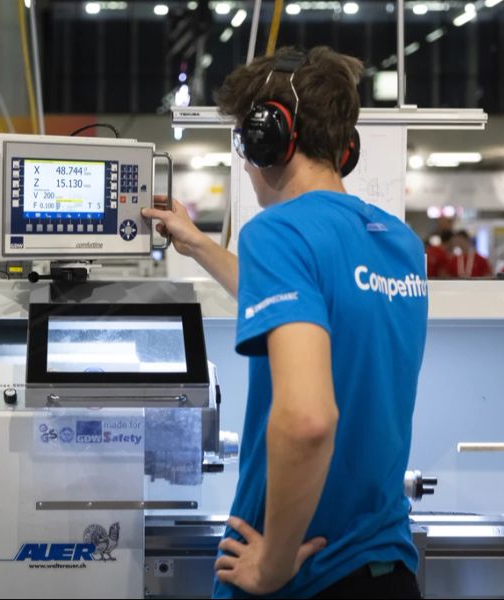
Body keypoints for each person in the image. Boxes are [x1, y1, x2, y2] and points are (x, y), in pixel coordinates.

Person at [143, 46, 428, 598]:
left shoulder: (279, 232)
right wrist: (200, 246)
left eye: (244, 142)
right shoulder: (399, 243)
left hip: (302, 579)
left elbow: (307, 421)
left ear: (269, 136)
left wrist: (272, 563)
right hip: (388, 573)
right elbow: (300, 298)